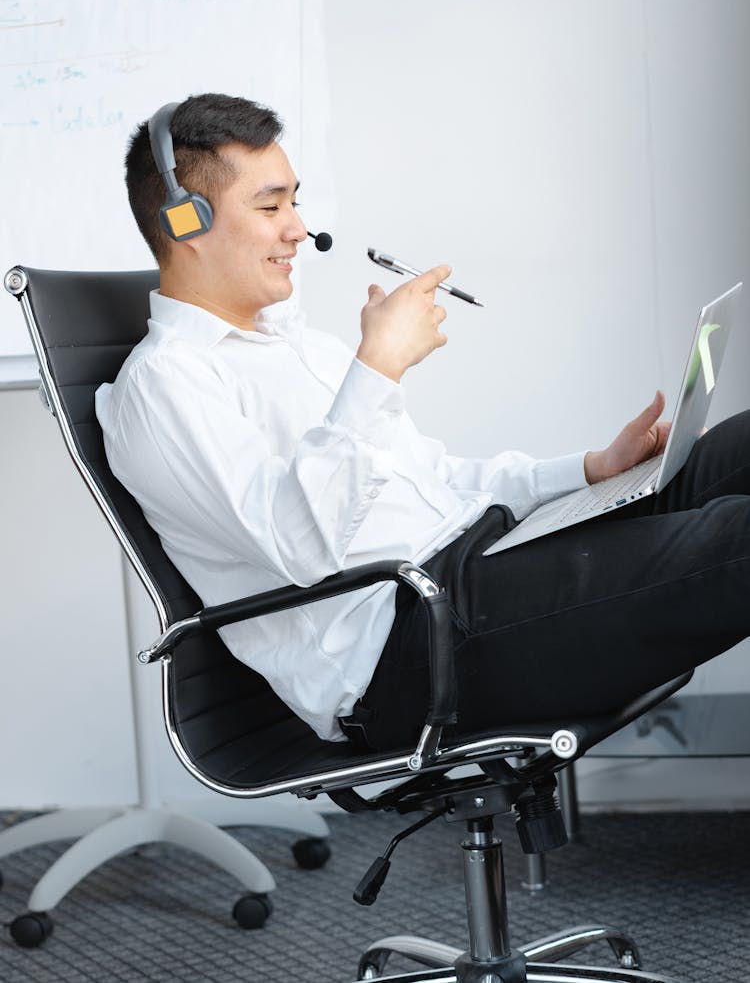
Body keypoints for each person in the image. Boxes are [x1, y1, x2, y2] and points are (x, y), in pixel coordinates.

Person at [96, 93, 750, 751]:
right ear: (185, 222)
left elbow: (436, 478)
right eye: (270, 207)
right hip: (410, 644)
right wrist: (377, 366)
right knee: (731, 541)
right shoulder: (162, 389)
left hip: (482, 559)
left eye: (294, 201)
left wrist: (588, 471)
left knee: (733, 453)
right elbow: (296, 548)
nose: (298, 228)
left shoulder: (299, 347)